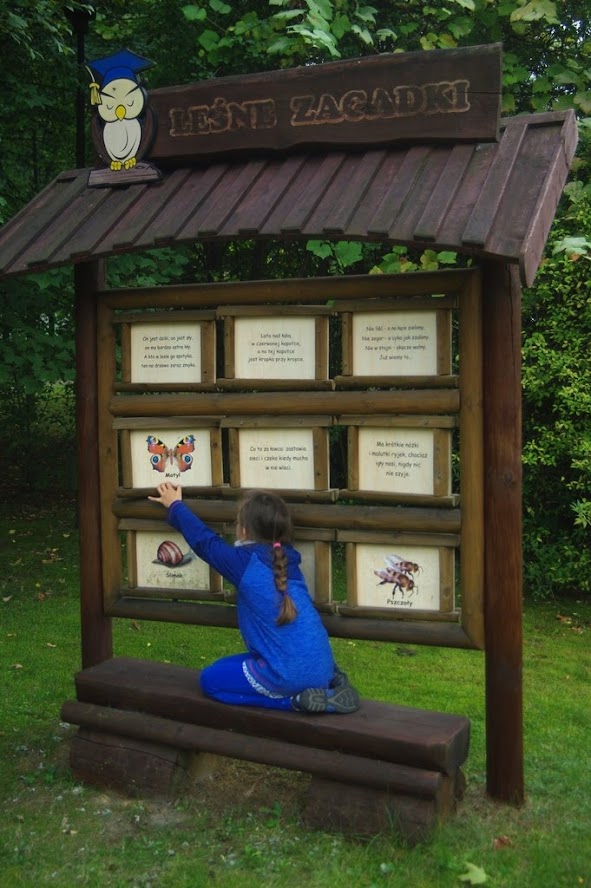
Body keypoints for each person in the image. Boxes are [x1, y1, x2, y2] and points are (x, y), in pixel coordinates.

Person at [148, 482, 360, 714]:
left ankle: (296, 701)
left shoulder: (245, 564)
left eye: (238, 522)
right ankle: (327, 687)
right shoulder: (287, 560)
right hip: (321, 667)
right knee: (221, 667)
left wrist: (175, 505)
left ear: (245, 530)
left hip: (287, 674)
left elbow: (205, 543)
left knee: (210, 681)